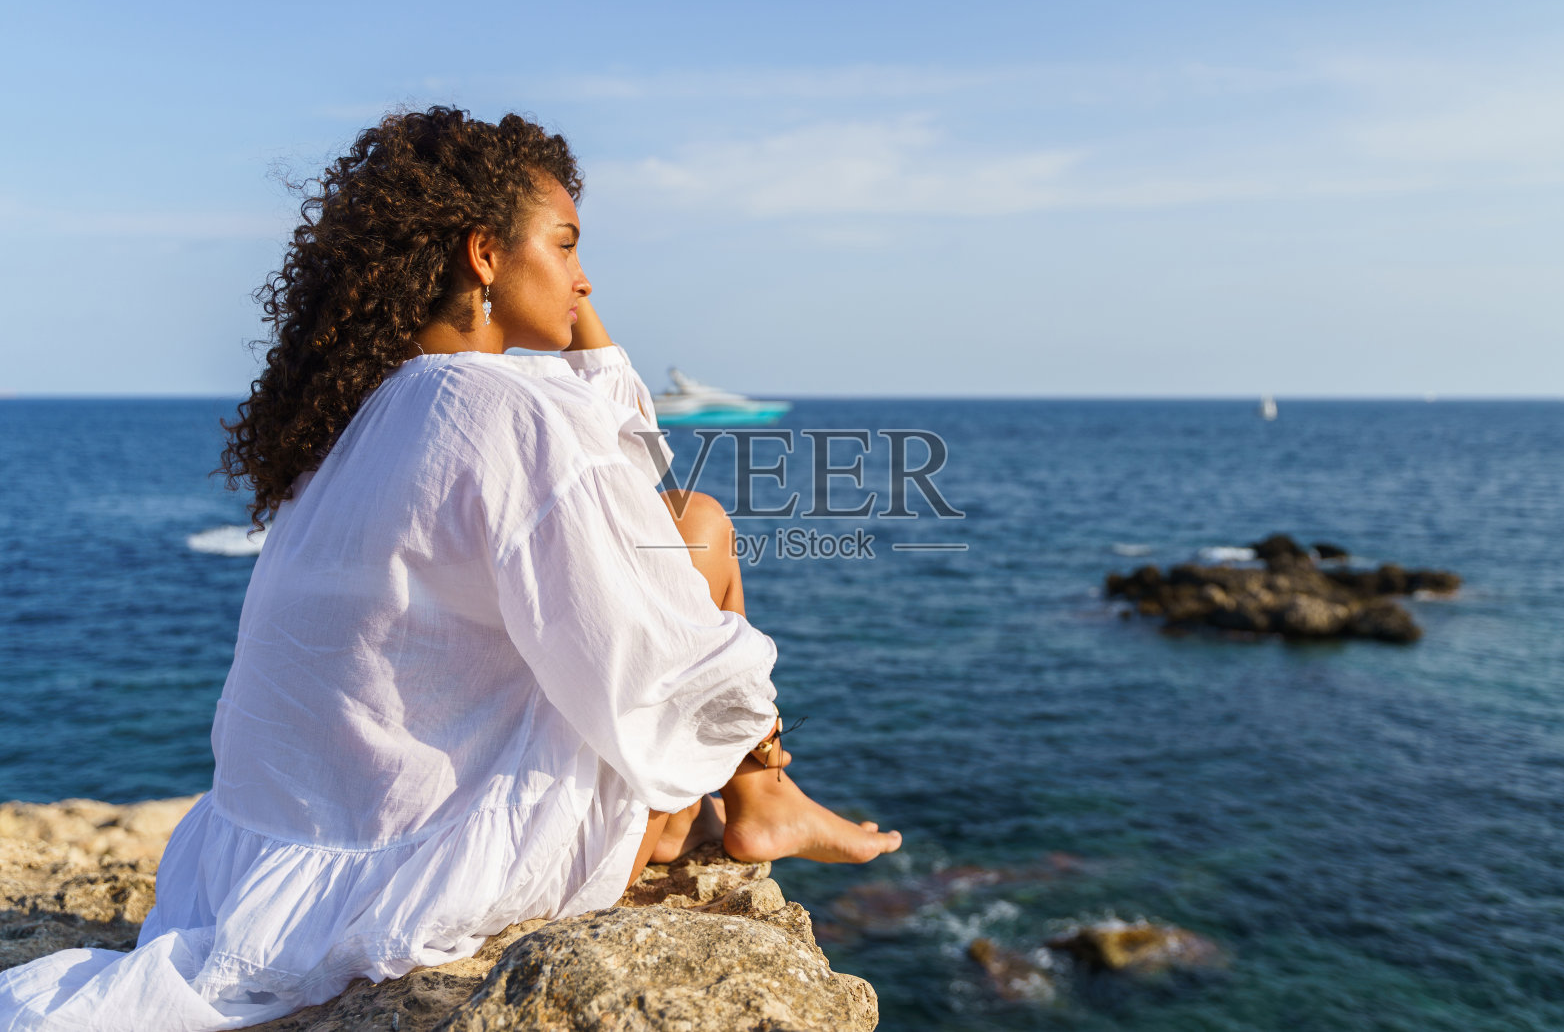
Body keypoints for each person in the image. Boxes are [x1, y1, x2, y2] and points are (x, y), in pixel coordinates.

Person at [0, 106, 900, 1031]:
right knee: (698, 528)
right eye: (567, 245)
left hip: (260, 864)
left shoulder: (385, 403)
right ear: (481, 255)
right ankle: (755, 791)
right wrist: (723, 736)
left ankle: (741, 796)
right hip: (421, 868)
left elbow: (613, 464)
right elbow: (637, 582)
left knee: (660, 540)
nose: (585, 279)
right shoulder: (498, 405)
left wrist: (539, 266)